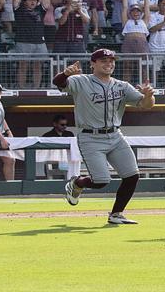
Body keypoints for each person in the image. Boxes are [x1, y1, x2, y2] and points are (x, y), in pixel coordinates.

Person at [52, 49, 155, 225]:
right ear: (93, 64)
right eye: (103, 61)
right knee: (101, 181)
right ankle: (77, 183)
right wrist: (65, 73)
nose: (109, 64)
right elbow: (59, 83)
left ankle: (116, 214)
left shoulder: (122, 85)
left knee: (132, 176)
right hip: (90, 137)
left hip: (115, 135)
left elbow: (146, 105)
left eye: (111, 60)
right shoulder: (81, 80)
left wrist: (148, 96)